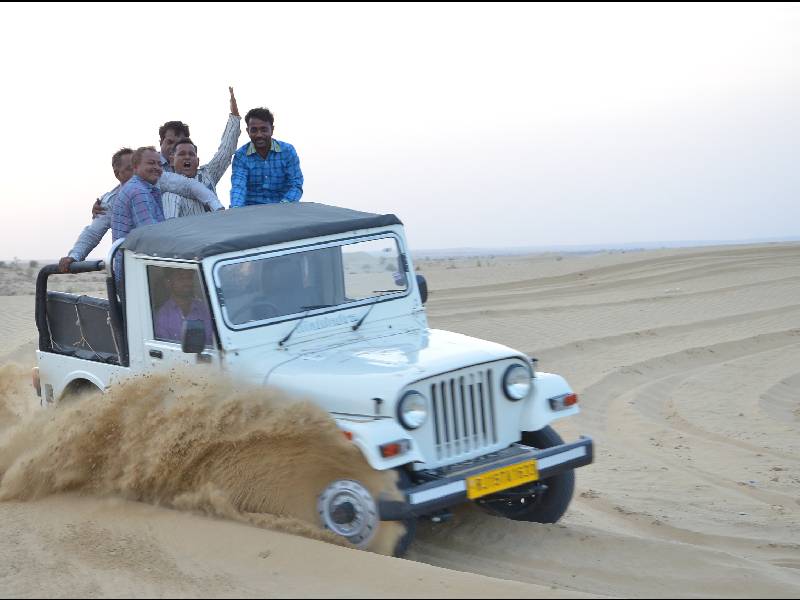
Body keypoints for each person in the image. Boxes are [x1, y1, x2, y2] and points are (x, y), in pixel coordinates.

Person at [58, 148, 222, 272]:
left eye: (159, 164)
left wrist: (218, 208)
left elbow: (189, 185)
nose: (157, 168)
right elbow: (93, 233)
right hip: (139, 269)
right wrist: (74, 256)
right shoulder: (126, 195)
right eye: (130, 168)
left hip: (147, 263)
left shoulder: (157, 180)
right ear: (118, 173)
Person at [230, 106, 303, 207]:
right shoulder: (241, 156)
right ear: (248, 131)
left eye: (263, 129)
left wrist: (283, 206)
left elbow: (296, 185)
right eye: (254, 130)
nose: (259, 135)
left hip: (284, 209)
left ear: (272, 130)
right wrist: (236, 209)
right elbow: (238, 186)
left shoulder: (287, 151)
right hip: (251, 212)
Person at [154, 269, 213, 345]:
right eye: (181, 278)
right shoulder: (162, 316)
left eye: (189, 277)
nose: (187, 282)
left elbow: (213, 341)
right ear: (168, 283)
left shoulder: (205, 309)